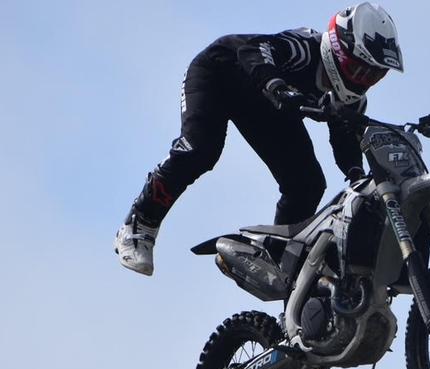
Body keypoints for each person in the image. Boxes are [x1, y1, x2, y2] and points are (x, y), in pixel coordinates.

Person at [114, 2, 404, 275]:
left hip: (265, 107)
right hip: (218, 74)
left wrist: (357, 176)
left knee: (307, 184)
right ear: (338, 50)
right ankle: (140, 222)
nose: (363, 81)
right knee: (200, 149)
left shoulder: (352, 100)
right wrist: (277, 86)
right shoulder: (305, 48)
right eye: (359, 69)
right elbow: (251, 50)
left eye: (373, 76)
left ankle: (280, 261)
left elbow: (344, 143)